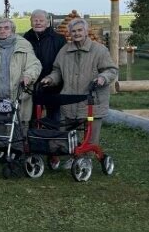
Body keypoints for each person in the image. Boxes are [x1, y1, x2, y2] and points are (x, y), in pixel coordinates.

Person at [41, 18, 118, 146]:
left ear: (86, 31)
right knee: (65, 134)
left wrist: (103, 78)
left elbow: (111, 70)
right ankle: (69, 152)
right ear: (70, 33)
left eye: (80, 30)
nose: (77, 33)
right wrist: (50, 79)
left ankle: (88, 155)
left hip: (92, 101)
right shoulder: (64, 51)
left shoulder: (99, 50)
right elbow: (57, 71)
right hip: (69, 101)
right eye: (73, 31)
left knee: (91, 137)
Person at [23, 9, 67, 120]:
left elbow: (62, 62)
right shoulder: (25, 39)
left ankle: (53, 130)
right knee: (32, 116)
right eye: (35, 20)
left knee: (54, 115)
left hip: (53, 84)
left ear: (47, 23)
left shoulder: (59, 39)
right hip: (32, 84)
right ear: (31, 22)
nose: (38, 23)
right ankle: (34, 130)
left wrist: (54, 78)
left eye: (41, 20)